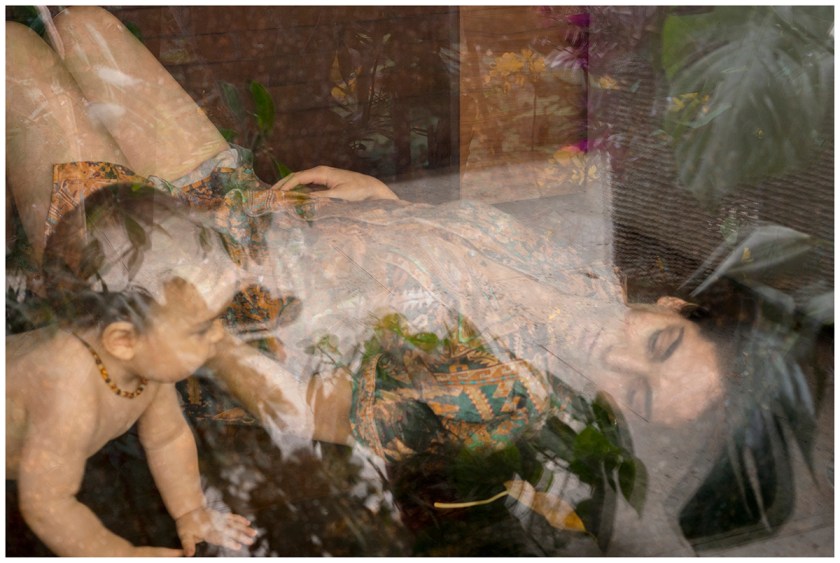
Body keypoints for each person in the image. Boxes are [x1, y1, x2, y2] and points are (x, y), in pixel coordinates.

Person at [6, 6, 819, 556]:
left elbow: (295, 409)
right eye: (658, 344)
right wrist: (390, 209)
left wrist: (192, 325)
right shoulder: (584, 274)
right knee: (82, 23)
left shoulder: (495, 402)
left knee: (20, 61)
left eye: (634, 393)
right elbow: (457, 261)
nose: (616, 356)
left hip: (168, 290)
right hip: (244, 207)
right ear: (672, 303)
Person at [6, 183, 259, 556]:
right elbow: (47, 503)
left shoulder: (143, 360)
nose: (220, 335)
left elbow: (167, 437)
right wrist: (123, 554)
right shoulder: (67, 393)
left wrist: (191, 511)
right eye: (201, 329)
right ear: (123, 340)